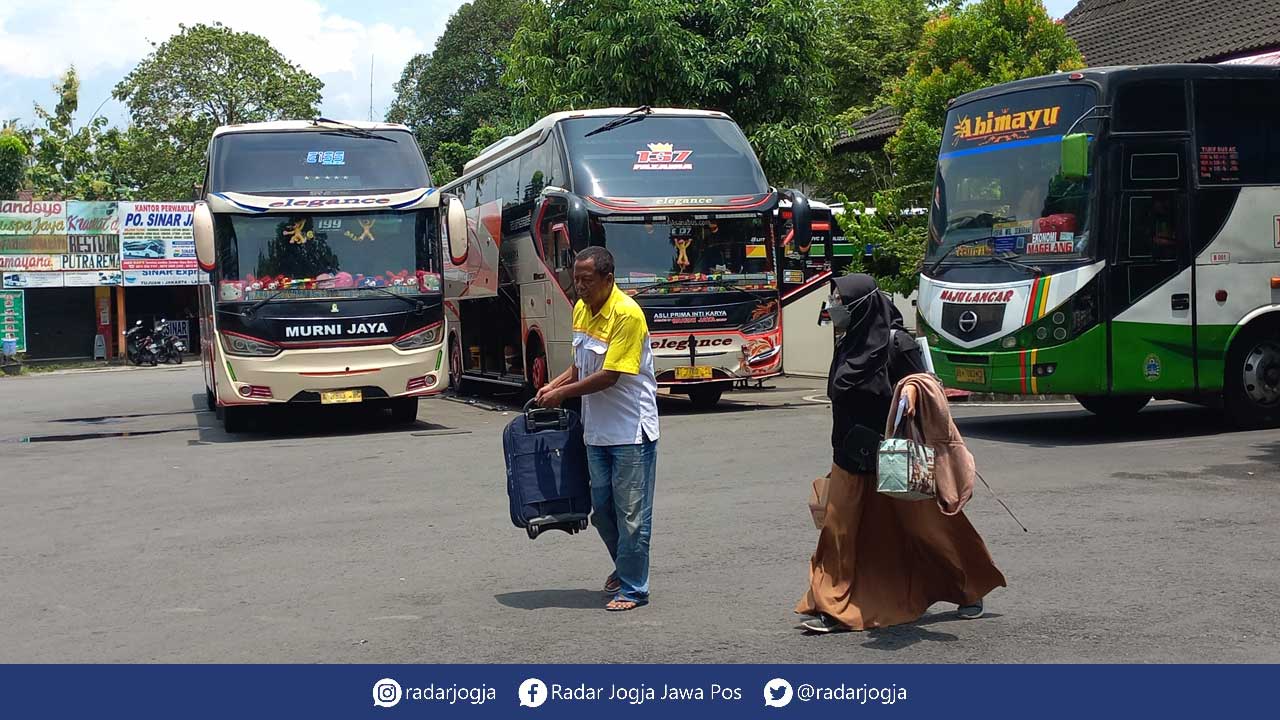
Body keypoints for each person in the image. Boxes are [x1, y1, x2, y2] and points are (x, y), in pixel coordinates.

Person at [796, 273, 1006, 633]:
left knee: (926, 527)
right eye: (834, 300)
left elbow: (928, 385)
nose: (834, 307)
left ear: (862, 305)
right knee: (839, 531)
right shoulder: (847, 343)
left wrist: (910, 391)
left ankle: (968, 587)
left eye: (841, 301)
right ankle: (830, 606)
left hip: (894, 454)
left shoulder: (897, 343)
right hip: (848, 453)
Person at [535, 246, 660, 612]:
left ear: (608, 279)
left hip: (630, 432)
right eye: (576, 280)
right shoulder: (580, 310)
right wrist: (553, 385)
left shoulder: (627, 314)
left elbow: (609, 375)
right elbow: (580, 366)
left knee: (632, 515)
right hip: (596, 432)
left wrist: (561, 395)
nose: (579, 287)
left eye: (587, 281)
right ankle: (625, 568)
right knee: (602, 511)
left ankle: (634, 588)